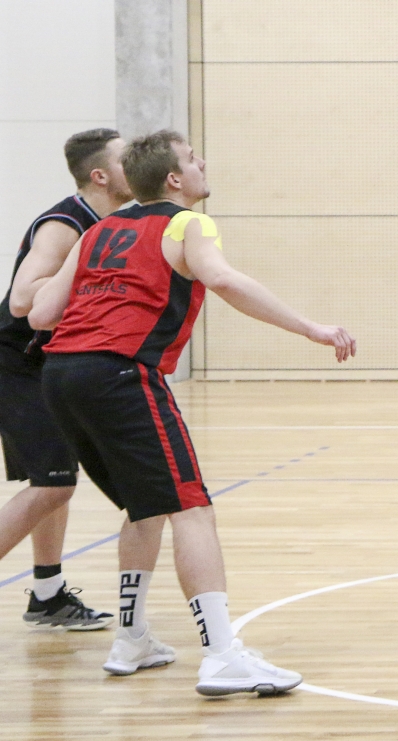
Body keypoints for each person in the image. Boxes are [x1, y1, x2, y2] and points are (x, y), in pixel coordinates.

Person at [29, 130, 355, 695]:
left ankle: (131, 639)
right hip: (122, 373)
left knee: (143, 506)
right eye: (194, 160)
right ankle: (223, 654)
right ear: (174, 179)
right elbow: (224, 279)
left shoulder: (100, 230)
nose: (203, 166)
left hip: (61, 377)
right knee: (193, 508)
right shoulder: (188, 224)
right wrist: (310, 327)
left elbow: (40, 314)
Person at [1, 129, 133, 629]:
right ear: (100, 175)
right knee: (53, 485)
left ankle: (48, 595)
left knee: (53, 479)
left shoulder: (111, 220)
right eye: (126, 158)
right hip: (15, 362)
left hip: (48, 365)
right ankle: (47, 593)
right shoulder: (65, 224)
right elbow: (21, 299)